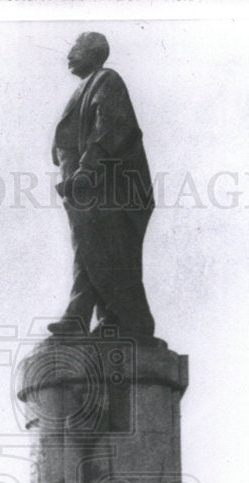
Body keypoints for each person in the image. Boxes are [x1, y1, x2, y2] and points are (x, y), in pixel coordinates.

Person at [49, 32, 155, 339]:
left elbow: (109, 128)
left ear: (94, 53)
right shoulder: (86, 87)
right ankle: (89, 317)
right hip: (84, 187)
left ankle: (123, 320)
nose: (69, 54)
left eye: (76, 48)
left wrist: (86, 169)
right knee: (90, 248)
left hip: (106, 187)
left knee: (108, 251)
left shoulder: (107, 80)